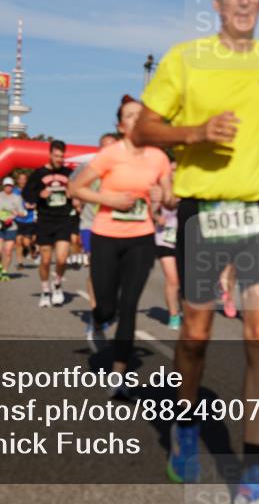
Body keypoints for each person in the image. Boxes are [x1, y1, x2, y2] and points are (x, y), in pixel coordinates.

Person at [132, 0, 259, 498]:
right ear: (217, 1)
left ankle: (252, 470)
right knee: (196, 334)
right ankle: (185, 427)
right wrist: (197, 131)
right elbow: (144, 130)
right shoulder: (185, 60)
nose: (245, 0)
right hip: (203, 210)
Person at [70, 95, 173, 398]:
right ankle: (98, 318)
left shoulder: (159, 157)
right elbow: (75, 187)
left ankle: (118, 375)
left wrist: (161, 196)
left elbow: (170, 198)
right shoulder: (109, 155)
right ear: (120, 125)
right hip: (105, 235)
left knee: (129, 307)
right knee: (107, 304)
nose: (136, 119)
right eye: (130, 115)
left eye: (141, 115)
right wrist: (109, 199)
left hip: (141, 237)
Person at [72, 132, 120, 309]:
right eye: (104, 147)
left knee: (113, 271)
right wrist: (78, 197)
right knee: (96, 268)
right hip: (90, 224)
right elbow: (73, 189)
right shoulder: (88, 167)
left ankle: (108, 302)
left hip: (116, 225)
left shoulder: (124, 169)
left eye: (112, 147)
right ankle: (95, 309)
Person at [23, 140, 72, 307]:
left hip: (64, 219)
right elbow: (26, 193)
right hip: (45, 220)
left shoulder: (68, 173)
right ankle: (45, 290)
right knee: (45, 260)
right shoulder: (39, 173)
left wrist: (72, 193)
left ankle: (57, 284)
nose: (59, 159)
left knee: (62, 258)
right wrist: (39, 194)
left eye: (62, 156)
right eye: (56, 156)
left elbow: (79, 188)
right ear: (50, 155)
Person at [155, 162, 182, 329]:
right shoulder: (158, 189)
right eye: (171, 170)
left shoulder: (189, 189)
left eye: (177, 170)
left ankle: (180, 307)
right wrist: (157, 217)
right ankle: (173, 315)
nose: (174, 173)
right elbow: (150, 208)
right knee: (173, 279)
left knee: (184, 280)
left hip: (185, 238)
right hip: (164, 237)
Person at [0, 177, 26, 281]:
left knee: (8, 251)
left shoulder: (17, 198)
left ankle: (5, 271)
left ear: (13, 187)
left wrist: (17, 213)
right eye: (6, 186)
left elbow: (22, 213)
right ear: (3, 186)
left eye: (10, 186)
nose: (8, 188)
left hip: (11, 226)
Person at [14, 172, 38, 268]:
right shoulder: (14, 192)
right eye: (21, 179)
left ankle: (31, 248)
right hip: (18, 219)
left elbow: (37, 201)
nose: (22, 181)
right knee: (18, 241)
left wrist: (32, 205)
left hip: (29, 219)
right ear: (18, 181)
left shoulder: (31, 190)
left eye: (24, 179)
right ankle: (20, 263)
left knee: (26, 242)